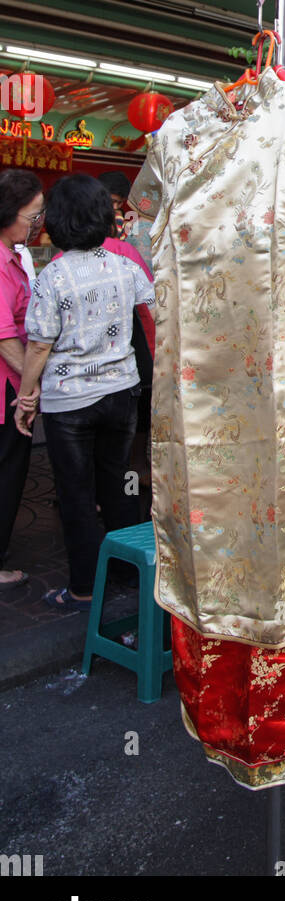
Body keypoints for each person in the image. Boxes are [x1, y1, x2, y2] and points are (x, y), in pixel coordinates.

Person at [14, 175, 155, 612]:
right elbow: (151, 307)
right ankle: (128, 573)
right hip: (120, 394)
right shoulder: (124, 266)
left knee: (76, 493)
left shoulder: (52, 275)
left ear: (56, 221)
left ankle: (83, 587)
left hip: (69, 402)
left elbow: (39, 344)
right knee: (120, 485)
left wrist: (25, 397)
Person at [0, 169, 44, 590]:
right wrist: (30, 386)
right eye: (32, 217)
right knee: (7, 474)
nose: (37, 226)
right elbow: (4, 337)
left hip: (11, 386)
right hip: (4, 391)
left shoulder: (11, 256)